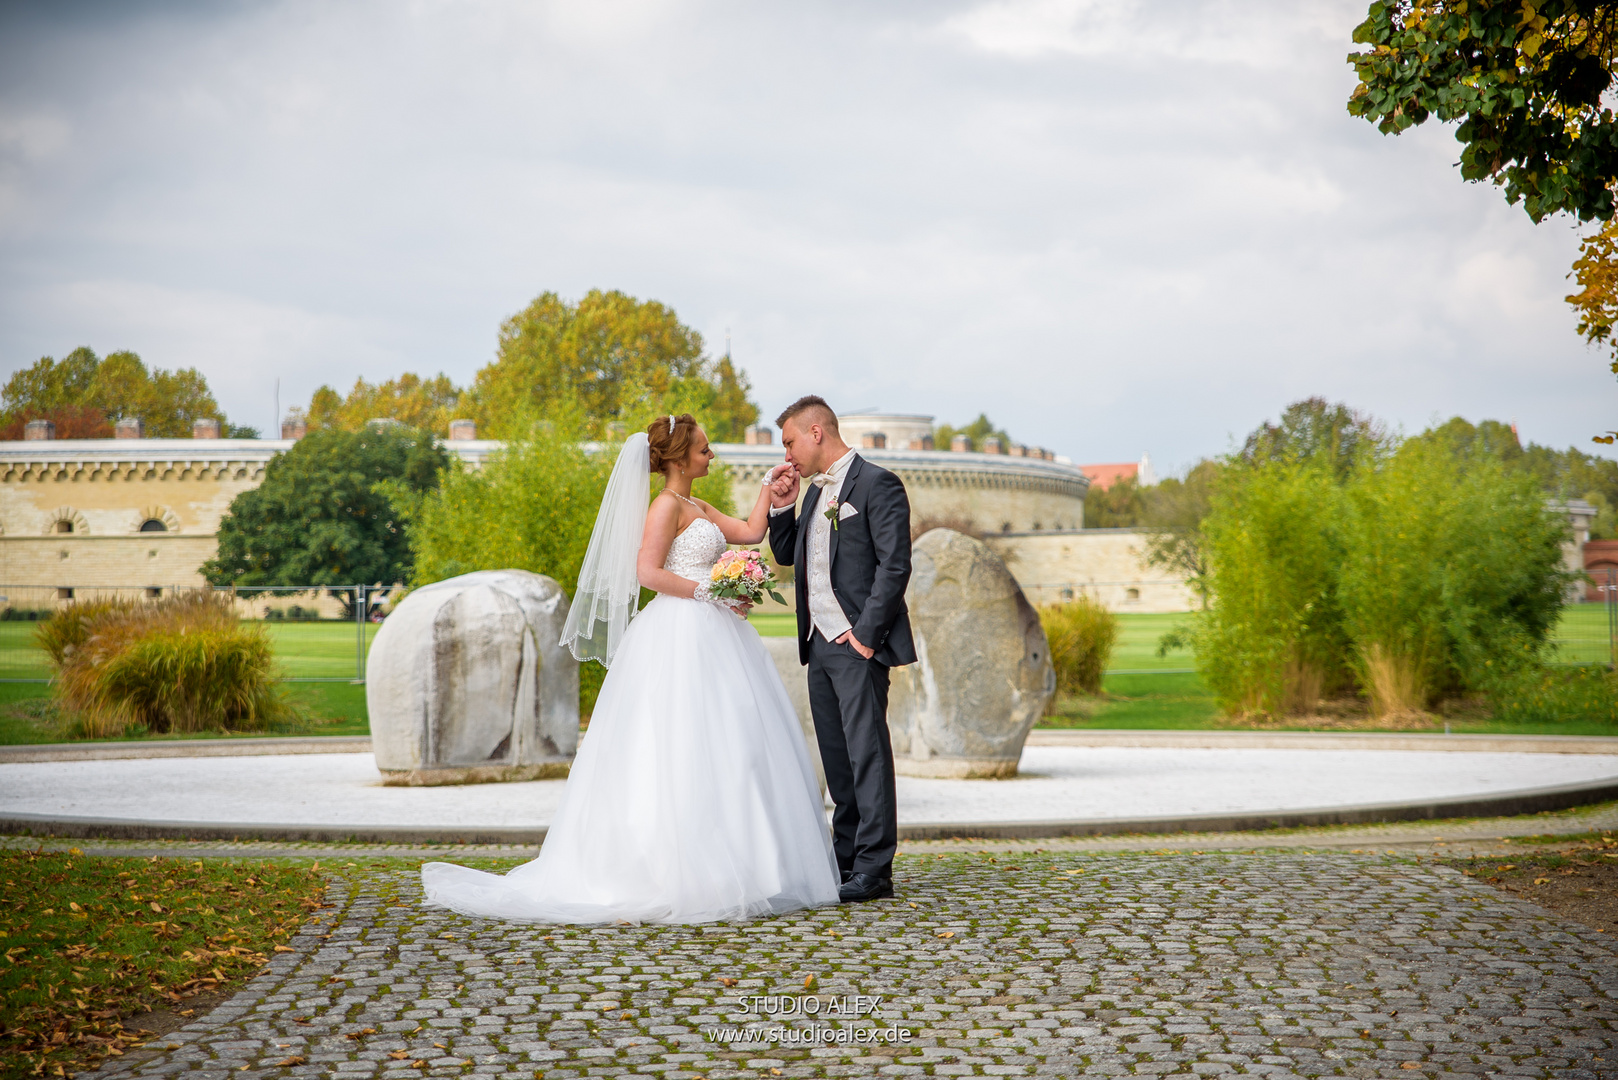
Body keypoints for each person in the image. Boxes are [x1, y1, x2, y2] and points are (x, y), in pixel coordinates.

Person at [419, 414, 839, 923]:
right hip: (679, 632)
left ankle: (742, 865)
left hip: (715, 632)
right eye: (705, 450)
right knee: (675, 744)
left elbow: (750, 533)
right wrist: (710, 590)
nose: (712, 456)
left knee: (731, 743)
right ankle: (671, 871)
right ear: (681, 458)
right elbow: (647, 571)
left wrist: (771, 495)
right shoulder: (664, 506)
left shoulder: (695, 505)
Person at [766, 395, 915, 903]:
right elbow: (788, 555)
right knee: (838, 759)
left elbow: (894, 566)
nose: (786, 455)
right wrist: (783, 506)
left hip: (857, 644)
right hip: (818, 645)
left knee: (867, 753)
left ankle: (875, 869)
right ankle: (847, 861)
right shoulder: (812, 494)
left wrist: (866, 636)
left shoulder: (877, 484)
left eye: (788, 442)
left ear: (815, 432)